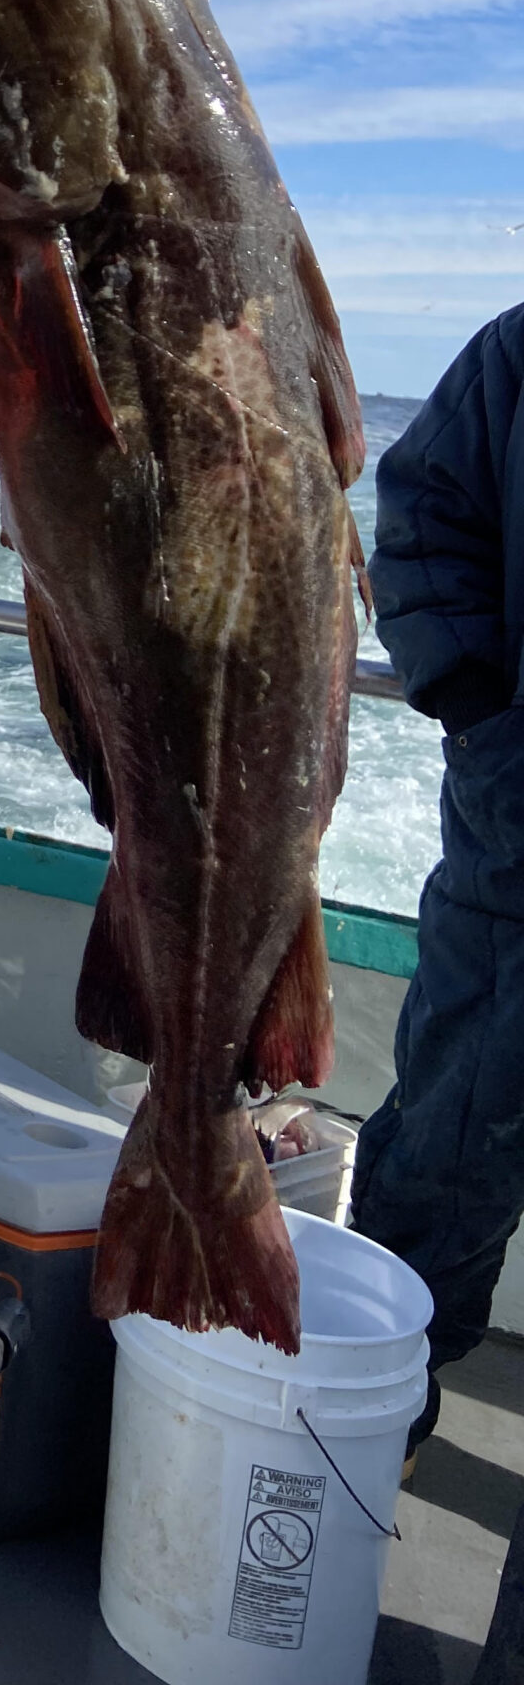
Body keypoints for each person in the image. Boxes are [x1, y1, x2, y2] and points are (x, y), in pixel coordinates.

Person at [351, 304, 524, 1450]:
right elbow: (417, 512)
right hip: (515, 851)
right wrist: (479, 707)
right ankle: (375, 1405)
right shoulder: (514, 358)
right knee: (449, 1134)